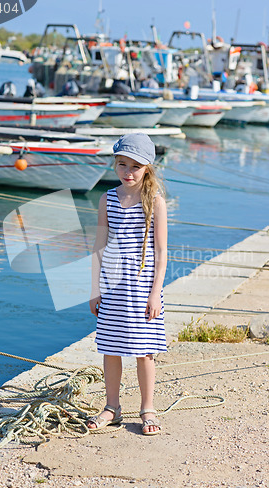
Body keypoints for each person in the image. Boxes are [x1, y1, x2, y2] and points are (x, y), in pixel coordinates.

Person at [88, 133, 168, 436]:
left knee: (144, 350)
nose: (127, 172)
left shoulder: (155, 201)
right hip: (112, 286)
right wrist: (94, 289)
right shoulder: (106, 198)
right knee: (111, 348)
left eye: (135, 166)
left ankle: (148, 407)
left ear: (147, 167)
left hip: (143, 287)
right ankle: (112, 407)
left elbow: (161, 253)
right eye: (122, 164)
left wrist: (155, 293)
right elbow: (99, 245)